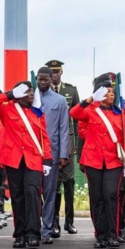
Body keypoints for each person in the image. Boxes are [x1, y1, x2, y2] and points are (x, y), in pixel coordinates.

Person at [0, 82, 52, 248]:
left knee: (32, 193)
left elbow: (44, 137)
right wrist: (10, 94)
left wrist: (47, 160)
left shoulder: (38, 112)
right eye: (27, 91)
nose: (31, 94)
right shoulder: (8, 108)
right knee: (17, 196)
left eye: (31, 91)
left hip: (33, 158)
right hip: (14, 158)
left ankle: (33, 233)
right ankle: (20, 234)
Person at [70, 78, 125, 248]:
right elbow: (74, 113)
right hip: (93, 161)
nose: (111, 95)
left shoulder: (121, 113)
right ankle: (101, 235)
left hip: (114, 161)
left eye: (113, 92)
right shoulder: (91, 110)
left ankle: (113, 234)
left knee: (111, 195)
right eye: (108, 92)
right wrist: (90, 99)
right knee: (97, 197)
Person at [35, 67, 70, 244]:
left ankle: (47, 229)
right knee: (33, 193)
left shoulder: (60, 100)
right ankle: (33, 228)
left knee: (50, 193)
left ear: (51, 80)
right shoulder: (28, 98)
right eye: (40, 80)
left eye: (45, 80)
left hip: (52, 154)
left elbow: (64, 128)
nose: (42, 83)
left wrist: (64, 153)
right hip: (32, 154)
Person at [46, 59, 80, 236]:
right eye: (52, 72)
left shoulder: (71, 91)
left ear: (61, 73)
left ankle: (69, 222)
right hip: (51, 144)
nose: (55, 75)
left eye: (57, 72)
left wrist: (75, 146)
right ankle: (54, 222)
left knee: (69, 183)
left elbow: (77, 119)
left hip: (68, 143)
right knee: (54, 185)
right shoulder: (44, 93)